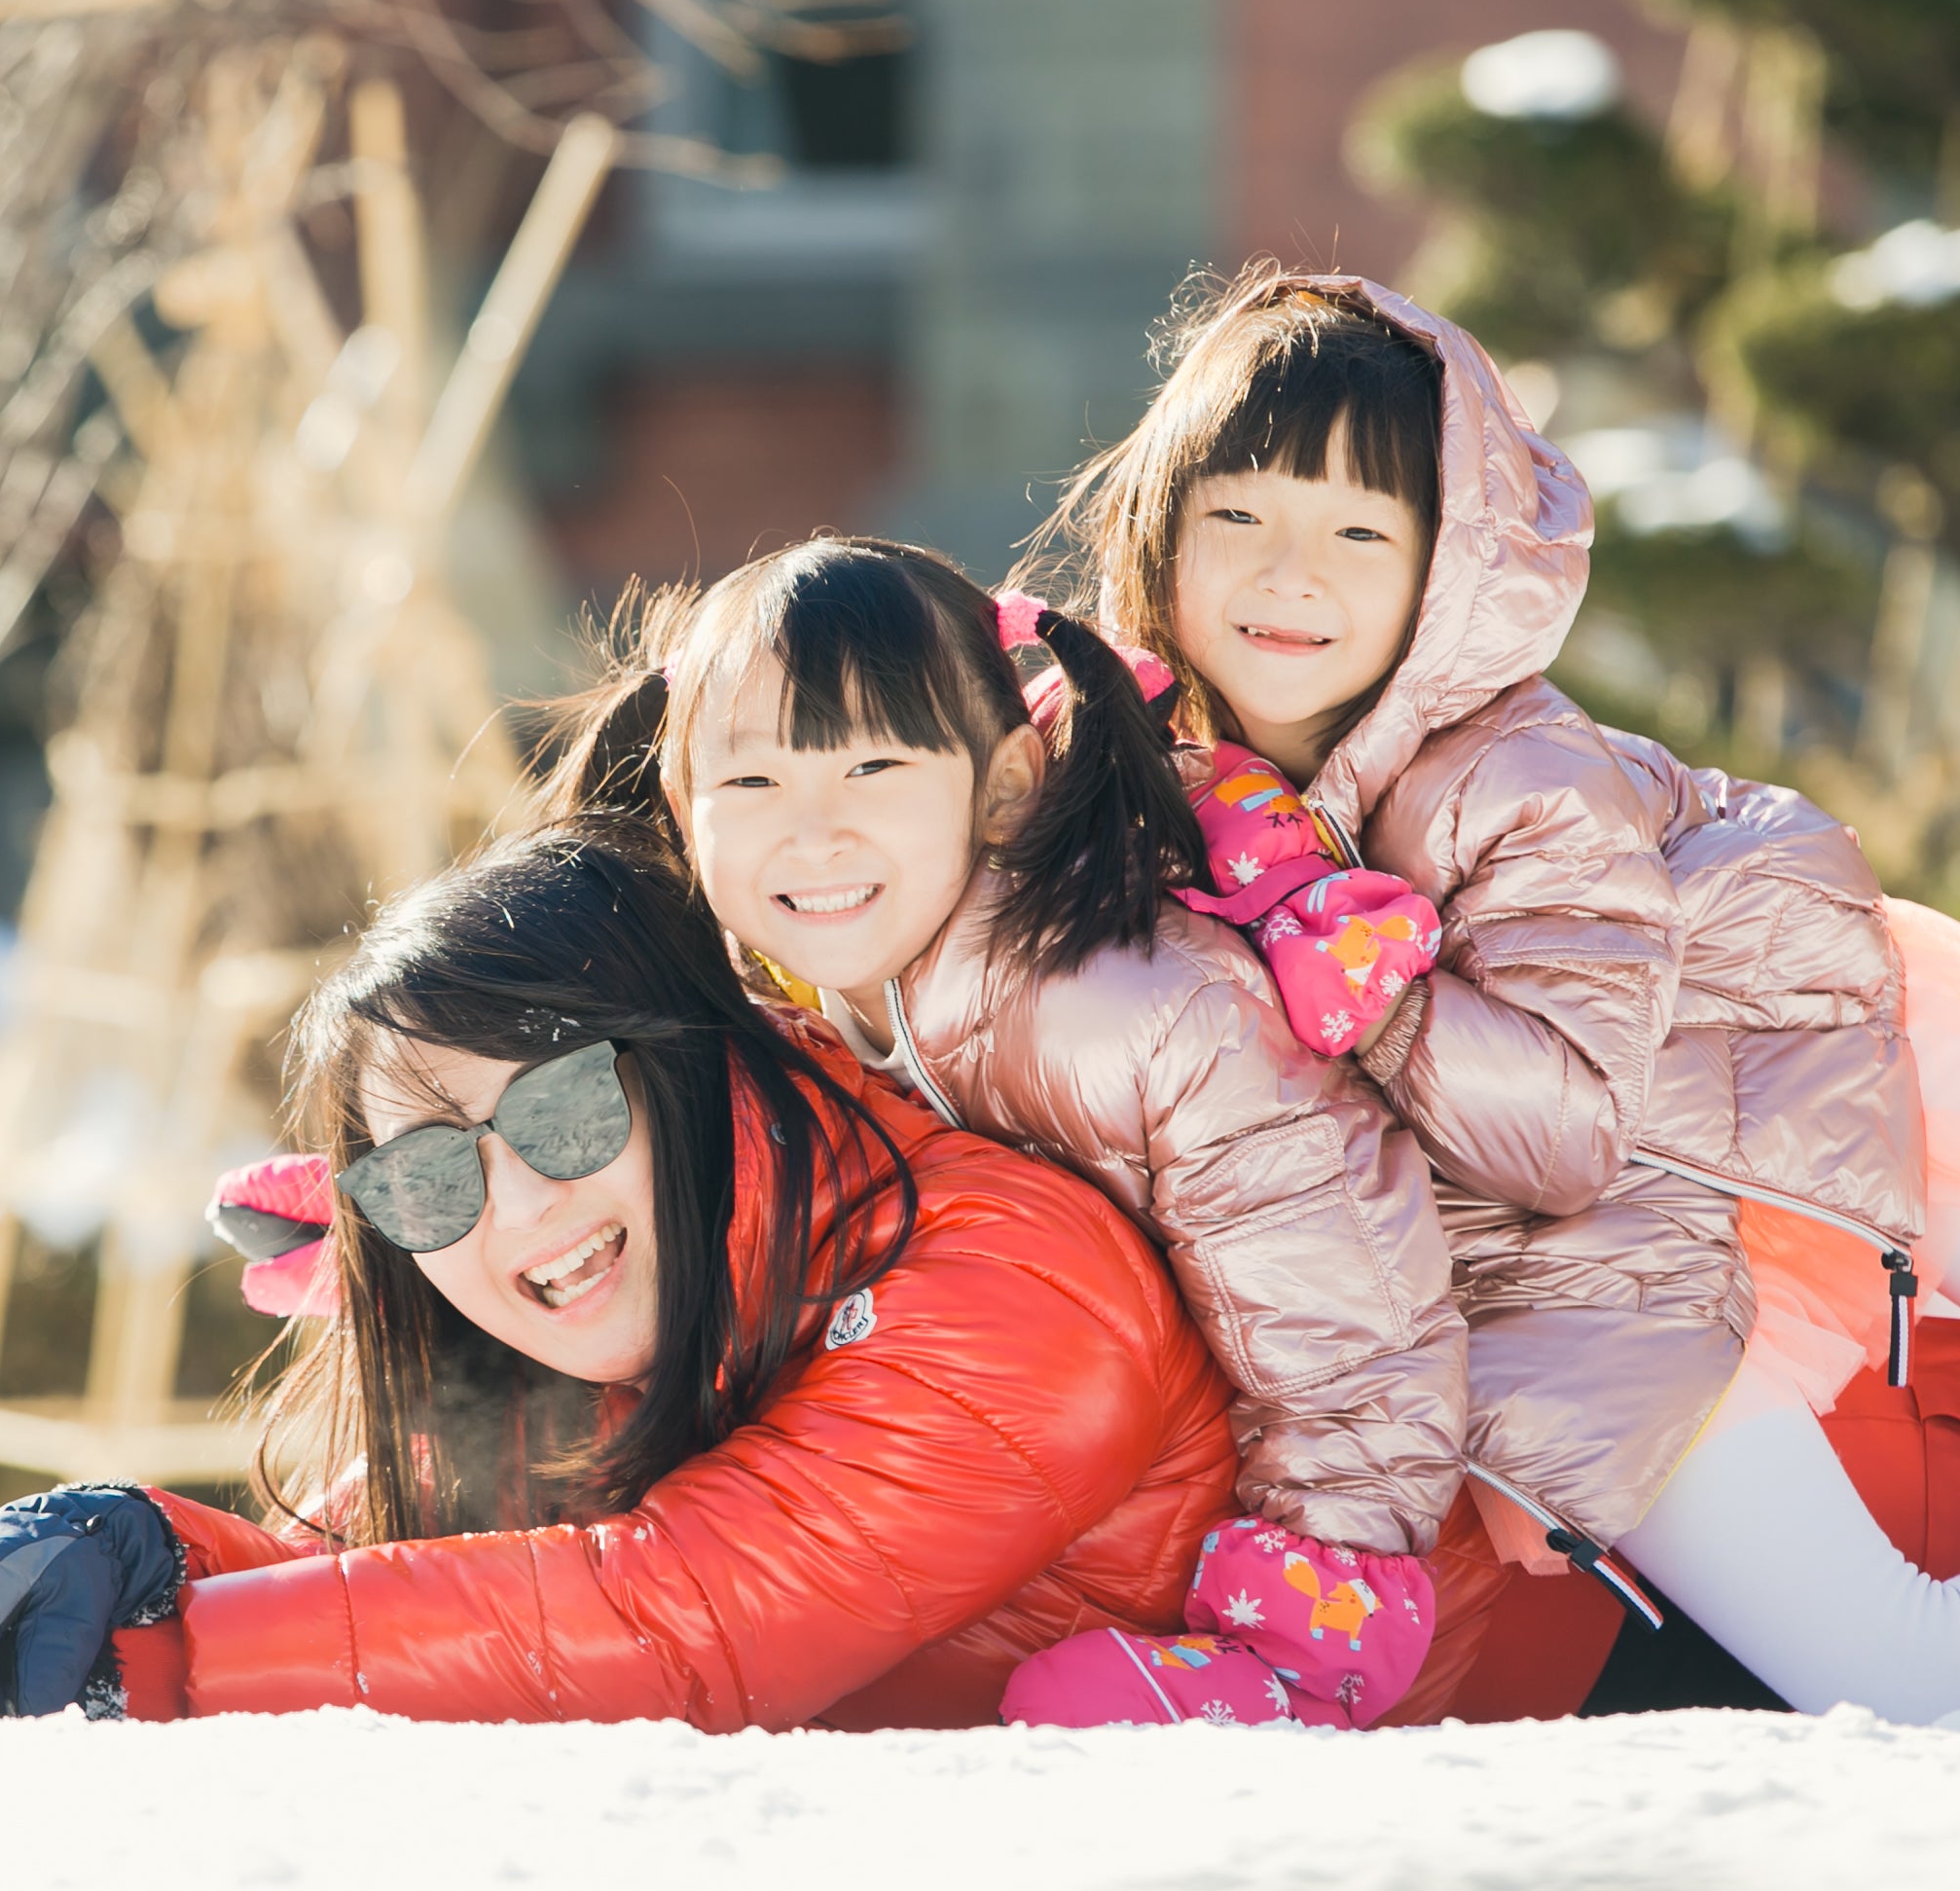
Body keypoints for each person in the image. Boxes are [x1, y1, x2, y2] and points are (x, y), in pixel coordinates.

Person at [1044, 263, 1960, 1729]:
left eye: (1360, 532)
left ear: (1446, 570)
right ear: (1159, 529)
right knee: (1887, 1651)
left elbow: (1561, 1125)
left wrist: (1377, 987)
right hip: (1590, 1276)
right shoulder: (1159, 784)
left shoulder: (1514, 780)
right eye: (1238, 518)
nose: (1288, 577)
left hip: (1817, 1088)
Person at [0, 819, 1261, 1730]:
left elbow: (676, 1618)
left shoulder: (1008, 1288)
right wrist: (132, 1551)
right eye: (430, 1176)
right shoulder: (588, 1348)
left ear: (699, 1064)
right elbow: (430, 1610)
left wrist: (144, 1661)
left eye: (565, 1109)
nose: (516, 1215)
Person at [539, 534, 1460, 1724]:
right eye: (754, 785)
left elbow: (1347, 1309)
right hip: (1058, 1521)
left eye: (873, 770)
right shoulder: (795, 996)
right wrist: (420, 1201)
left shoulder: (1131, 1011)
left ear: (1006, 785)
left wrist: (1302, 1632)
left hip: (1338, 1566)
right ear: (685, 807)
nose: (811, 834)